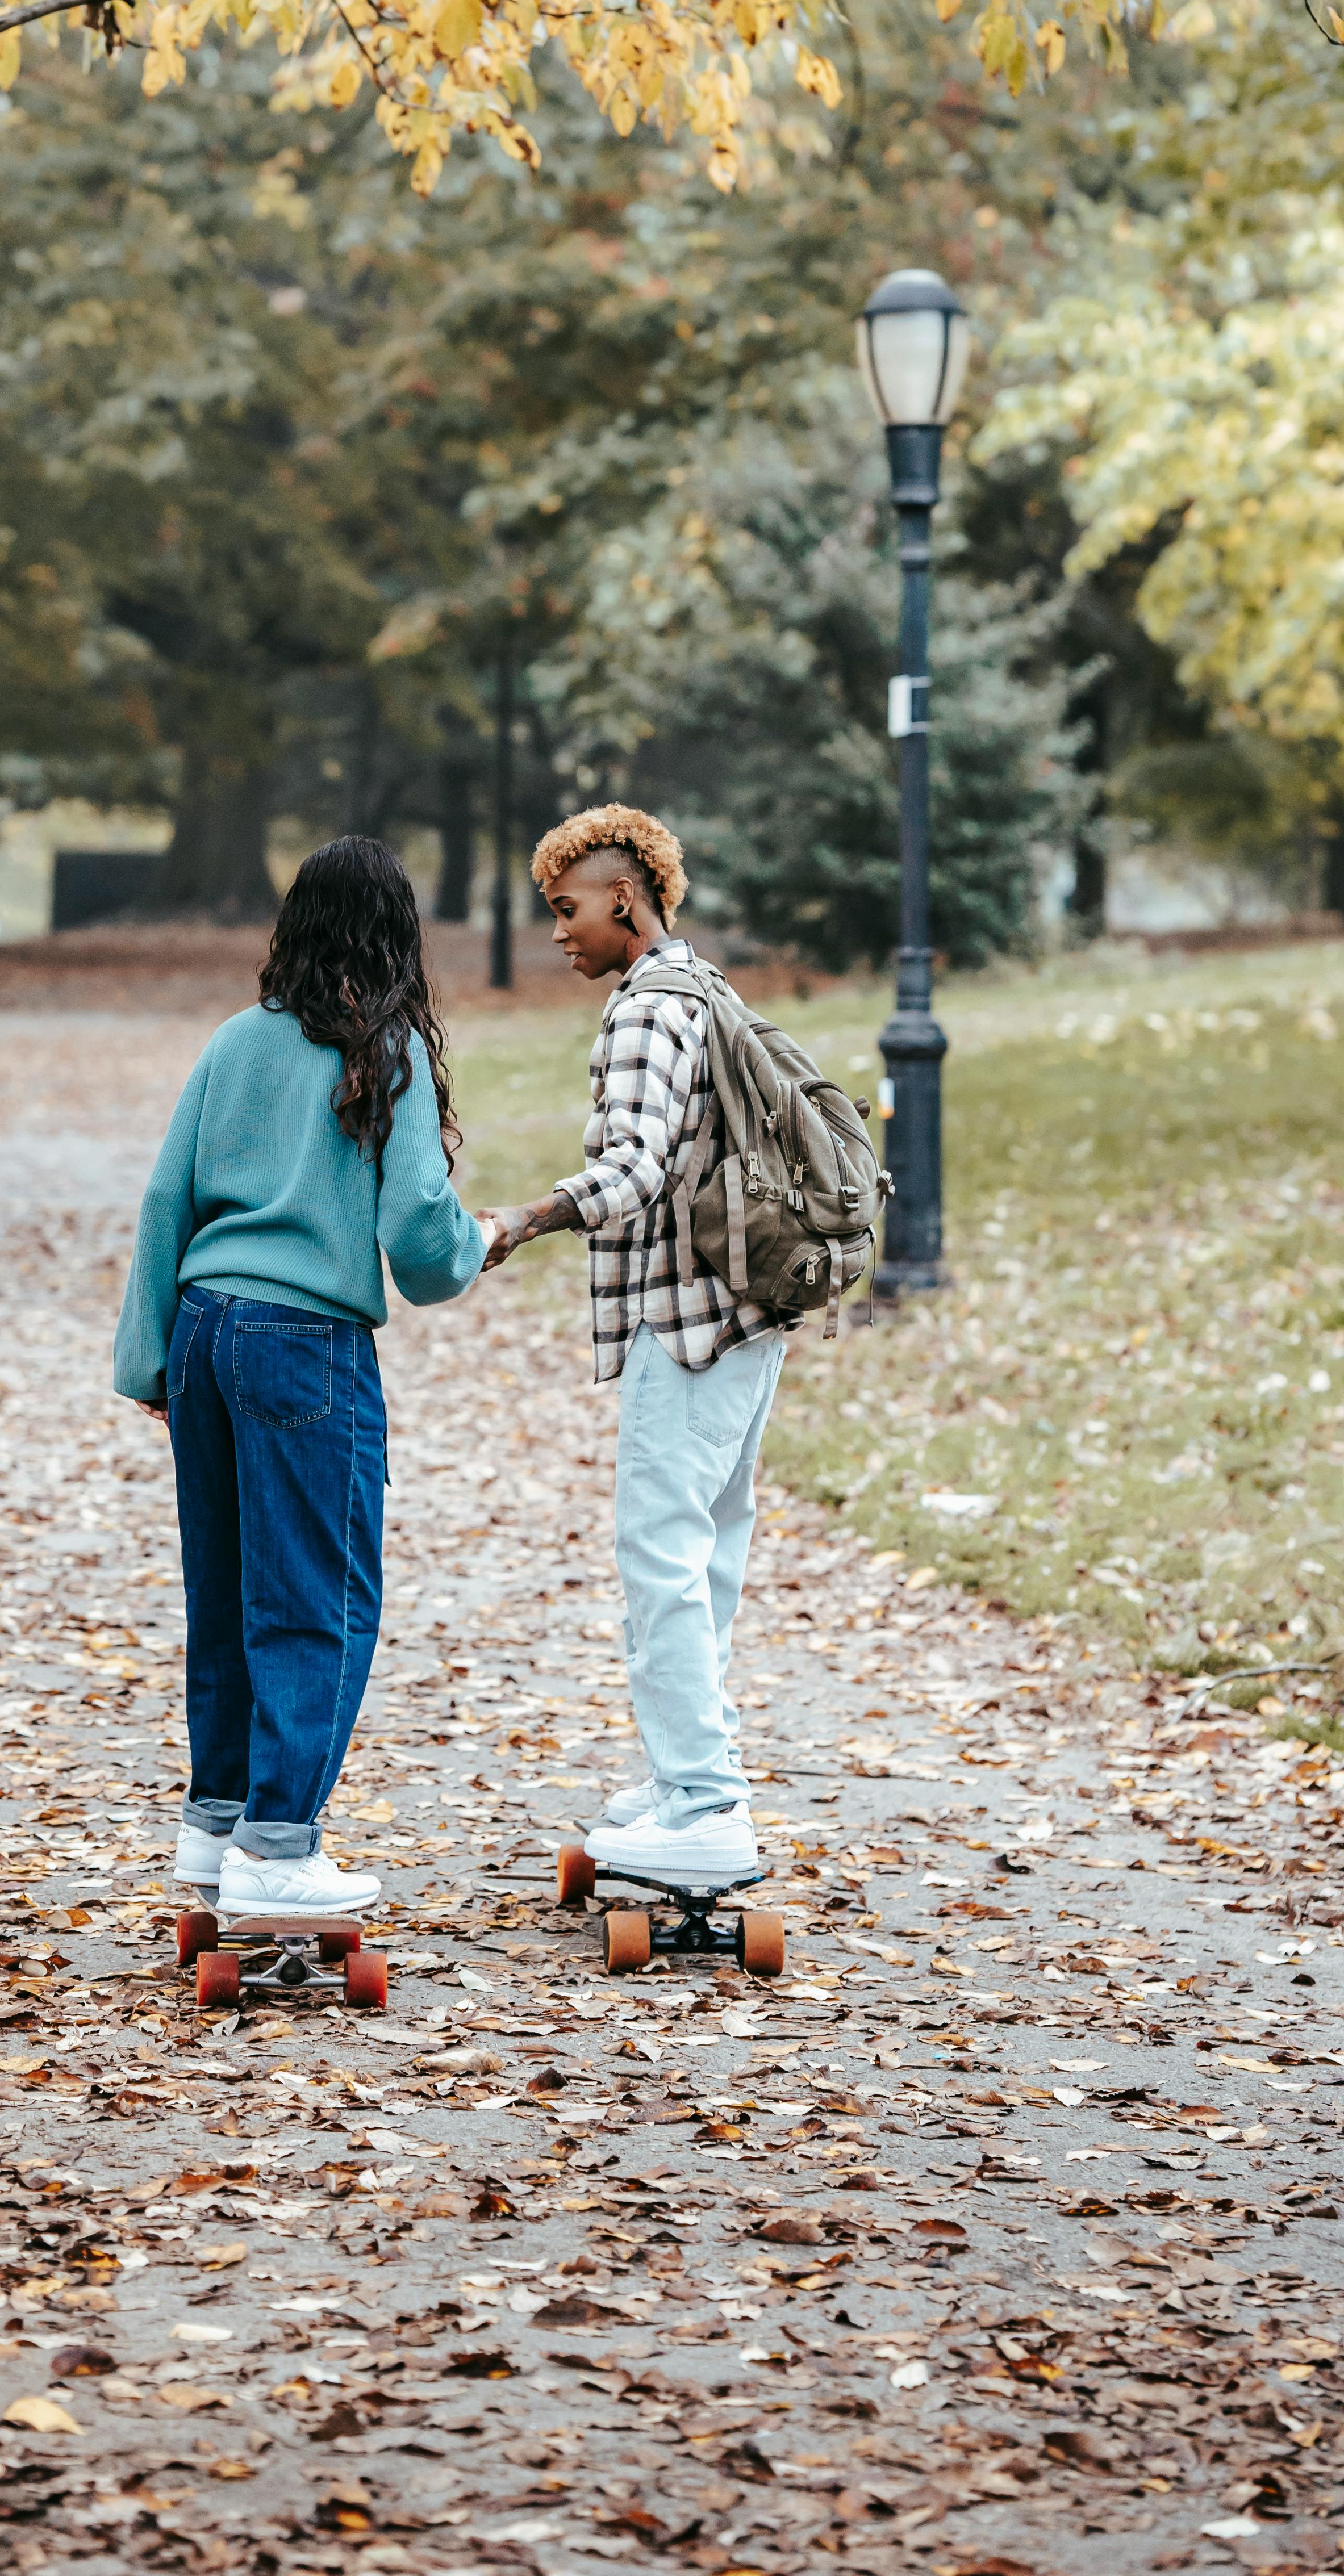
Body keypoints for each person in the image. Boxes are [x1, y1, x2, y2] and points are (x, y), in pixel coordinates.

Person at [114, 835, 487, 1922]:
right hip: (305, 1342)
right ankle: (280, 1848)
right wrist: (474, 1247)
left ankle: (216, 1826)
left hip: (202, 1333)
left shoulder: (236, 1041)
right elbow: (420, 1230)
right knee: (319, 1594)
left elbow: (161, 1201)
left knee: (226, 1587)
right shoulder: (388, 1050)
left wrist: (148, 1357)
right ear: (395, 936)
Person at [479, 802, 780, 1889]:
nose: (559, 931)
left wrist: (527, 1218)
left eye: (568, 909)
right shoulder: (708, 987)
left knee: (659, 1554)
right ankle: (688, 1776)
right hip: (748, 1314)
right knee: (706, 1557)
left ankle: (703, 1802)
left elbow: (638, 1166)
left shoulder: (650, 1009)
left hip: (689, 1321)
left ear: (624, 898)